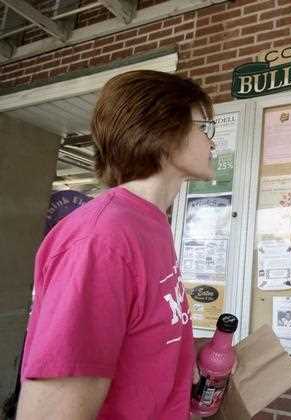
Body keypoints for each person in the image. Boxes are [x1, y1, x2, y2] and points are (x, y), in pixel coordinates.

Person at [16, 70, 216, 420]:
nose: (212, 142)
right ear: (165, 132)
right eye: (204, 127)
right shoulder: (102, 238)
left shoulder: (150, 223)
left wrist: (180, 357)